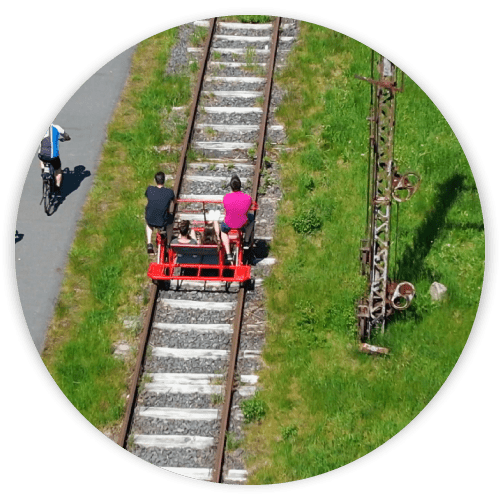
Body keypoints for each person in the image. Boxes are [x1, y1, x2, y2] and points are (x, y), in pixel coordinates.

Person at [220, 174, 254, 263]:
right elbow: (247, 211)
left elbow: (226, 210)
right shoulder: (248, 197)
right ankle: (246, 241)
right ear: (240, 185)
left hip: (229, 224)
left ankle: (228, 253)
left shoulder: (226, 197)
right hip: (242, 224)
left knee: (223, 231)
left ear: (231, 187)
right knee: (252, 217)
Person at [145, 171, 175, 254]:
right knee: (171, 221)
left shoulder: (150, 189)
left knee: (149, 224)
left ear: (155, 180)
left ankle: (149, 243)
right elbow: (174, 201)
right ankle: (169, 243)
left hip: (150, 218)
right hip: (163, 220)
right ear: (164, 180)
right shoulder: (169, 192)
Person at [38, 123, 71, 196]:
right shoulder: (57, 127)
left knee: (42, 160)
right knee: (58, 170)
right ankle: (57, 186)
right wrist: (66, 138)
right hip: (53, 156)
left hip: (42, 155)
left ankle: (44, 172)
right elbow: (67, 136)